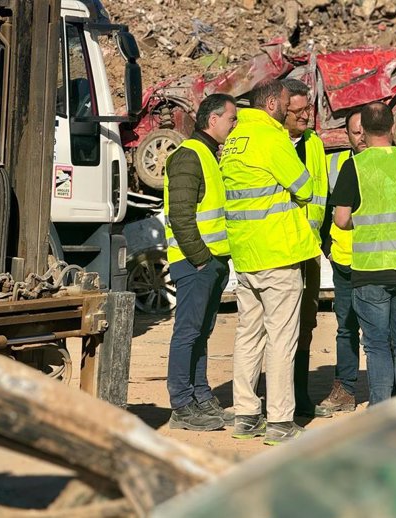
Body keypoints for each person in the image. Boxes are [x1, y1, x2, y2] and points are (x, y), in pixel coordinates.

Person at [220, 79, 318, 445]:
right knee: (281, 339)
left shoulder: (235, 139)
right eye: (283, 104)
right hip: (278, 252)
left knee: (249, 335)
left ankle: (246, 415)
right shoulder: (271, 136)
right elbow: (304, 187)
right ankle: (280, 420)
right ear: (273, 104)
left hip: (247, 253)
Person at [331, 102, 396, 406]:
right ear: (392, 127)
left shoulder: (355, 166)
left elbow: (340, 219)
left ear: (362, 130)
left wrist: (365, 220)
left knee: (376, 345)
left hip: (370, 271)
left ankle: (381, 410)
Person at [164, 93, 238, 431]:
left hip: (210, 263)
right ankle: (181, 405)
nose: (234, 125)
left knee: (201, 333)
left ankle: (201, 396)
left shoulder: (208, 155)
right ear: (213, 120)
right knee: (188, 333)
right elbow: (180, 216)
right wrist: (201, 260)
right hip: (196, 263)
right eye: (231, 119)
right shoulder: (189, 156)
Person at [279, 78, 330, 418]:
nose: (304, 117)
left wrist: (322, 242)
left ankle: (300, 398)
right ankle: (274, 401)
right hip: (279, 250)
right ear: (282, 110)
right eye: (297, 111)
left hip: (308, 248)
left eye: (307, 110)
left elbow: (320, 192)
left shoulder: (314, 143)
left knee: (306, 326)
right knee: (278, 330)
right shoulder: (271, 143)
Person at [317, 108, 367, 413]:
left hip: (380, 261)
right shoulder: (334, 165)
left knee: (383, 330)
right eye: (355, 131)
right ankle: (346, 389)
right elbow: (323, 207)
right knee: (346, 327)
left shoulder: (387, 164)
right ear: (346, 135)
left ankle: (386, 391)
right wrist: (328, 246)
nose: (361, 137)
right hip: (345, 262)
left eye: (365, 130)